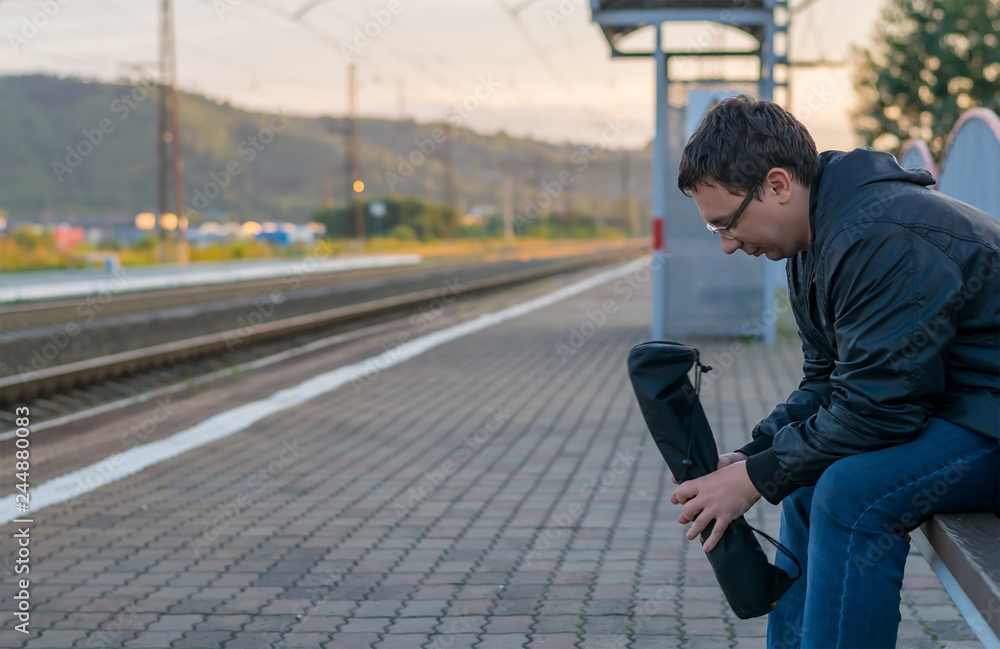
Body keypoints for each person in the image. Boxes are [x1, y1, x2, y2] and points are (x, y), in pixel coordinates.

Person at [667, 94, 1000, 648]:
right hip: (962, 407)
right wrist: (752, 458)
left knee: (850, 494)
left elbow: (878, 408)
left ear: (777, 185)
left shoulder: (876, 237)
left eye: (726, 224)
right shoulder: (815, 239)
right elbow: (829, 383)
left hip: (986, 413)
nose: (726, 245)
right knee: (806, 482)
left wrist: (751, 481)